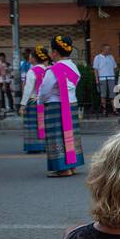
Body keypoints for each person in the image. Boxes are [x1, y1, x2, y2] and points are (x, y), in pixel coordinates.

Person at [38, 34, 84, 177]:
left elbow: (45, 90)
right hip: (71, 104)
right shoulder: (73, 67)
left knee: (57, 136)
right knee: (70, 135)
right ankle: (72, 165)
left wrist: (40, 101)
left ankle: (63, 168)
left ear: (55, 52)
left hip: (55, 105)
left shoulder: (53, 70)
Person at [18, 46, 48, 153]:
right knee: (43, 124)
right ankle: (44, 145)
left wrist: (22, 104)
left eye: (31, 55)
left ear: (34, 58)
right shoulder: (47, 69)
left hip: (33, 101)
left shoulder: (32, 71)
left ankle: (34, 147)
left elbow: (28, 89)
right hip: (44, 101)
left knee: (32, 125)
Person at [92, 43, 117, 118]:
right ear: (103, 49)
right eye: (107, 49)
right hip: (102, 78)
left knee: (113, 95)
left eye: (109, 49)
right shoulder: (98, 57)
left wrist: (114, 76)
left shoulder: (111, 57)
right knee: (103, 95)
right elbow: (95, 69)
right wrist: (97, 80)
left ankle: (115, 110)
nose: (108, 50)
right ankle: (104, 110)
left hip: (111, 78)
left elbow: (114, 67)